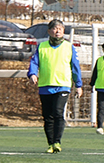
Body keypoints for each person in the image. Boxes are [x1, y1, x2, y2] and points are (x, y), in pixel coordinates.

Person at [28, 20, 81, 153]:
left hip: (63, 85)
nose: (57, 31)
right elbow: (34, 62)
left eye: (60, 29)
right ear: (49, 31)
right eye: (55, 28)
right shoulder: (42, 46)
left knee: (58, 112)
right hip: (45, 85)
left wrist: (78, 85)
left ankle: (57, 142)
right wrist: (32, 74)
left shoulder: (69, 47)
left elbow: (75, 67)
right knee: (48, 116)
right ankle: (50, 144)